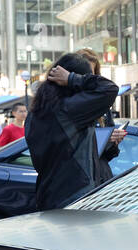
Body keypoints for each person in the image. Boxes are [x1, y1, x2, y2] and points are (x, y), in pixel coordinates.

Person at [25, 53, 119, 210]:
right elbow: (110, 88)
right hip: (76, 197)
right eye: (88, 76)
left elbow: (65, 148)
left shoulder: (35, 113)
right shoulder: (68, 110)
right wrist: (73, 79)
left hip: (48, 194)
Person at [75, 47, 127, 186]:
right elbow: (71, 147)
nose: (88, 79)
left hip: (101, 176)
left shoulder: (102, 107)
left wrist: (113, 141)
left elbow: (107, 155)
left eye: (92, 75)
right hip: (78, 180)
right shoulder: (67, 104)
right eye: (85, 75)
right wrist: (101, 138)